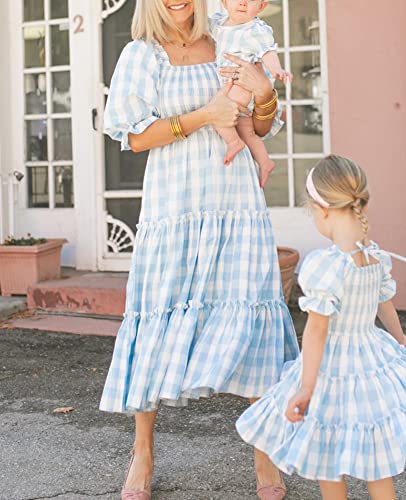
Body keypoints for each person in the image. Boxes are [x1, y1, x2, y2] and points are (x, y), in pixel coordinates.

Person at [99, 1, 299, 499]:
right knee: (156, 314)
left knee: (252, 318)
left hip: (236, 204)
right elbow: (136, 137)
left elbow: (263, 124)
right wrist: (205, 115)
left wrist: (267, 93)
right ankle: (142, 452)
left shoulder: (231, 39)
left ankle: (265, 455)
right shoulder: (142, 55)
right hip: (174, 210)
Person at [236, 155, 406, 500]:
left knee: (328, 461)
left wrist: (306, 388)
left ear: (322, 210)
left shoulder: (325, 266)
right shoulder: (373, 255)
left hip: (331, 370)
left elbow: (317, 332)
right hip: (372, 357)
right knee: (377, 462)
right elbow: (383, 302)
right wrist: (400, 340)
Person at [209, 0, 292, 187]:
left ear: (262, 7)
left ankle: (233, 142)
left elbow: (268, 52)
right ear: (224, 2)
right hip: (232, 83)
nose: (243, 3)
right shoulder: (218, 23)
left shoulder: (255, 29)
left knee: (219, 116)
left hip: (242, 84)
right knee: (247, 129)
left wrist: (277, 69)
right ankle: (265, 162)